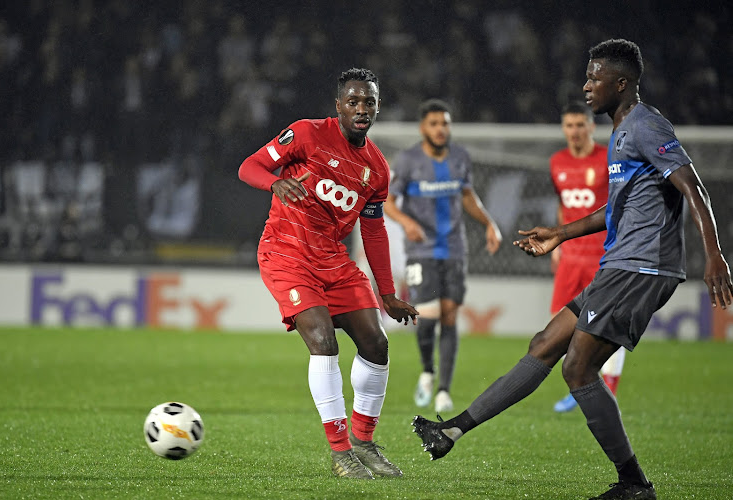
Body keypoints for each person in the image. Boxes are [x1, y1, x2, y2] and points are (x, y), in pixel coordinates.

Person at [412, 39, 733, 500]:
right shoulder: (622, 132)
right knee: (545, 344)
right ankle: (453, 431)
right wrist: (562, 232)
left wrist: (715, 254)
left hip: (642, 268)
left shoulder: (646, 125)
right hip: (620, 264)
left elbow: (693, 187)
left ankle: (634, 484)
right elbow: (617, 207)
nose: (585, 86)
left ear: (621, 84)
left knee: (578, 367)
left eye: (594, 77)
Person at [239, 68, 418, 480]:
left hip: (333, 259)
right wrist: (274, 185)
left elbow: (373, 232)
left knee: (376, 343)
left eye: (368, 102)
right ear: (338, 106)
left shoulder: (376, 168)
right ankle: (340, 453)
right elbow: (248, 166)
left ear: (377, 108)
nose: (361, 109)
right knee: (322, 339)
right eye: (353, 101)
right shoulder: (306, 134)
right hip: (286, 253)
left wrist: (387, 294)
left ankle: (364, 443)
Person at [384, 99, 501, 414]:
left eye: (445, 123)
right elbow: (389, 202)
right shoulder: (408, 161)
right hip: (420, 251)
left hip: (453, 249)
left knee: (449, 316)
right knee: (427, 317)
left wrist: (489, 223)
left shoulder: (461, 157)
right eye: (434, 124)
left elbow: (467, 196)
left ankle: (444, 391)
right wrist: (407, 222)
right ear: (423, 127)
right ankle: (427, 371)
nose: (440, 129)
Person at [549, 101, 625, 413]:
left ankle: (608, 389)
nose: (575, 131)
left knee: (607, 324)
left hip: (603, 255)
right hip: (570, 257)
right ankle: (579, 384)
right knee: (562, 323)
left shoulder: (609, 158)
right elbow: (562, 204)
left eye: (581, 125)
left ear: (591, 127)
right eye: (569, 126)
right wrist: (557, 242)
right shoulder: (557, 162)